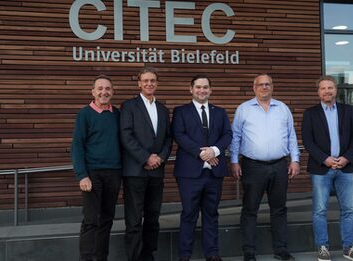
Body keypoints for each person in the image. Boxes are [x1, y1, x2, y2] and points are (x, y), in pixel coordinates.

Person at [229, 73, 300, 261]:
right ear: (254, 88)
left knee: (279, 209)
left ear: (272, 87)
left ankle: (281, 249)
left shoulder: (283, 108)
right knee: (250, 209)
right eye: (260, 84)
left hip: (279, 165)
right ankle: (249, 251)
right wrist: (234, 161)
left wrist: (295, 159)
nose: (264, 87)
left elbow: (291, 136)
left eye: (267, 84)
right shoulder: (244, 109)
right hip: (252, 166)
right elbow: (235, 137)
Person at [301, 76, 353, 261]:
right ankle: (323, 247)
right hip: (321, 169)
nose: (327, 91)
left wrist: (346, 158)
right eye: (323, 88)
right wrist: (326, 159)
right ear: (318, 92)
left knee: (348, 209)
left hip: (345, 168)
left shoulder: (349, 111)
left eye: (330, 87)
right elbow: (308, 141)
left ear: (336, 90)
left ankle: (349, 247)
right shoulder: (310, 113)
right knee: (320, 210)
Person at [172, 75, 232, 261]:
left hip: (214, 173)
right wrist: (202, 153)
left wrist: (214, 150)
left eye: (205, 87)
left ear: (210, 90)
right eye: (198, 87)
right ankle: (185, 255)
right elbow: (179, 135)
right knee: (189, 214)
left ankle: (212, 254)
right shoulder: (181, 111)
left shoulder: (220, 112)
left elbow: (227, 135)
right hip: (189, 173)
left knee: (211, 214)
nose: (202, 90)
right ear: (191, 89)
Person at [120, 67, 172, 261]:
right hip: (135, 171)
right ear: (139, 84)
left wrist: (160, 158)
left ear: (156, 84)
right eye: (145, 81)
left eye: (153, 81)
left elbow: (168, 138)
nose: (149, 84)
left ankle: (148, 255)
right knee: (134, 220)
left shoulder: (163, 109)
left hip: (156, 172)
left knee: (152, 217)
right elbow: (126, 136)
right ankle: (134, 257)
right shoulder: (129, 106)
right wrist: (146, 158)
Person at [71, 75, 122, 261]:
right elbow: (77, 145)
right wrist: (82, 175)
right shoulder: (84, 114)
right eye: (99, 88)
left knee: (107, 220)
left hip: (114, 173)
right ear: (93, 92)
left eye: (107, 88)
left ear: (112, 92)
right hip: (92, 174)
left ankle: (101, 257)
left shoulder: (117, 114)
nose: (104, 92)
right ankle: (86, 258)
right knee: (91, 220)